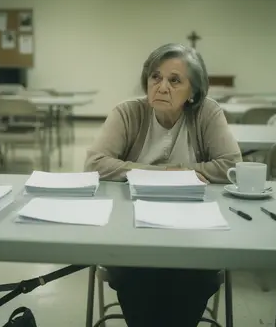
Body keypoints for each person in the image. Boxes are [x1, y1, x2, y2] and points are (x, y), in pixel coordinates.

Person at [84, 43, 242, 326]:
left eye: (174, 80)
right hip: (133, 232)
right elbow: (95, 163)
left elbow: (231, 164)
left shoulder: (207, 113)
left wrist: (179, 171)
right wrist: (161, 172)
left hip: (195, 232)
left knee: (192, 279)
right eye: (155, 77)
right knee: (136, 277)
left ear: (193, 92)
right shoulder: (128, 113)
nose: (162, 87)